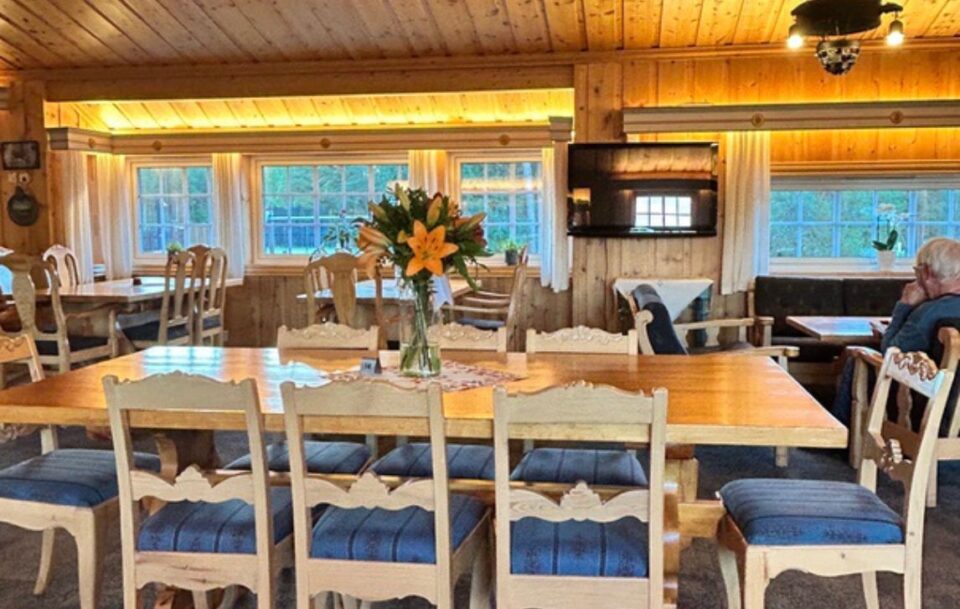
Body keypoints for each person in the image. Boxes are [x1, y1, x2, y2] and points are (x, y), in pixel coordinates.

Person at [831, 237, 960, 425]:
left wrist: (905, 305)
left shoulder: (929, 313)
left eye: (916, 272)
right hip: (955, 412)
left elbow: (890, 354)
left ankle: (838, 440)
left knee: (857, 359)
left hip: (928, 409)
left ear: (927, 273)